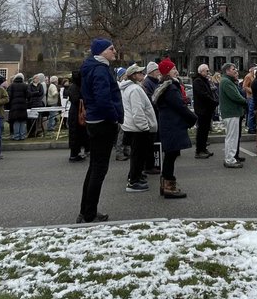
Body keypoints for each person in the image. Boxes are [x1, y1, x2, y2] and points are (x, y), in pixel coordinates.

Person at [78, 38, 123, 222]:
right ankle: (89, 214)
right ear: (102, 52)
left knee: (93, 168)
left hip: (95, 121)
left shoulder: (92, 67)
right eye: (111, 48)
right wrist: (114, 117)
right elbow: (103, 99)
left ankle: (86, 210)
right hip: (103, 122)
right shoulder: (100, 70)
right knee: (99, 170)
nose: (115, 51)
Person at [152, 58, 194, 199]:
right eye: (173, 69)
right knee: (171, 155)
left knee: (171, 155)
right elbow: (179, 106)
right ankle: (169, 187)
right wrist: (193, 118)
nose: (176, 71)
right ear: (167, 72)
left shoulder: (167, 86)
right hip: (172, 125)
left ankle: (165, 183)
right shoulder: (170, 87)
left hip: (170, 125)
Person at [120, 64, 157, 192]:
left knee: (138, 155)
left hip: (134, 127)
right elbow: (137, 111)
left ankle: (135, 176)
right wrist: (144, 127)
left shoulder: (132, 88)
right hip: (137, 128)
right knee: (137, 155)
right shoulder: (134, 89)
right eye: (140, 72)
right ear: (134, 75)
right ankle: (133, 182)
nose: (143, 73)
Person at [218, 63, 247, 168]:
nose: (236, 70)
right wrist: (246, 101)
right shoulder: (226, 82)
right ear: (227, 71)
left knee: (232, 137)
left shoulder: (227, 81)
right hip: (231, 113)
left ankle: (231, 158)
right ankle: (230, 160)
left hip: (232, 112)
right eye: (233, 69)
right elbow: (236, 97)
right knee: (232, 137)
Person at [191, 63, 217, 158]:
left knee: (205, 130)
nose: (208, 72)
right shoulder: (198, 81)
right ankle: (199, 150)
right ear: (201, 71)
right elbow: (203, 95)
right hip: (202, 109)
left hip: (207, 109)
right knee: (201, 131)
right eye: (206, 71)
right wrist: (213, 101)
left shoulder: (205, 81)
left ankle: (203, 148)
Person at [66, 69, 88, 161]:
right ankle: (74, 154)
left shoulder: (72, 86)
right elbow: (76, 99)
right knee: (76, 134)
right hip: (77, 113)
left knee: (76, 133)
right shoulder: (77, 87)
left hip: (74, 113)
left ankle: (76, 153)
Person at [7, 73, 31, 140]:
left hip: (14, 106)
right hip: (23, 105)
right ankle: (22, 136)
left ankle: (16, 136)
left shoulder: (12, 86)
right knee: (22, 121)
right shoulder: (25, 85)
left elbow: (9, 96)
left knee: (16, 121)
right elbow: (28, 95)